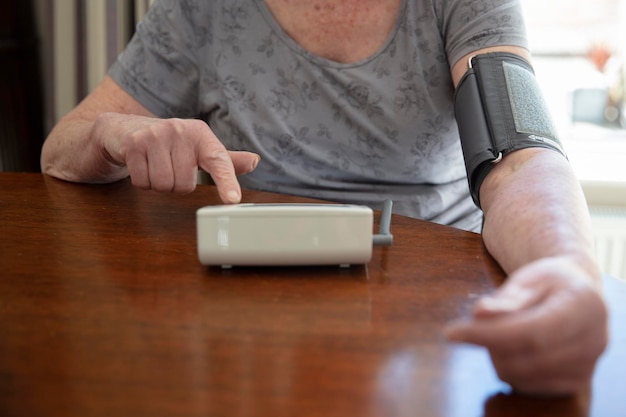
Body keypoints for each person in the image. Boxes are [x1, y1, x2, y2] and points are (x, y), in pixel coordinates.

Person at [40, 0, 608, 395]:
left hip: (432, 309)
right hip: (252, 311)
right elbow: (59, 151)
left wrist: (568, 270)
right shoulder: (199, 10)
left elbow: (520, 152)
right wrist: (113, 132)